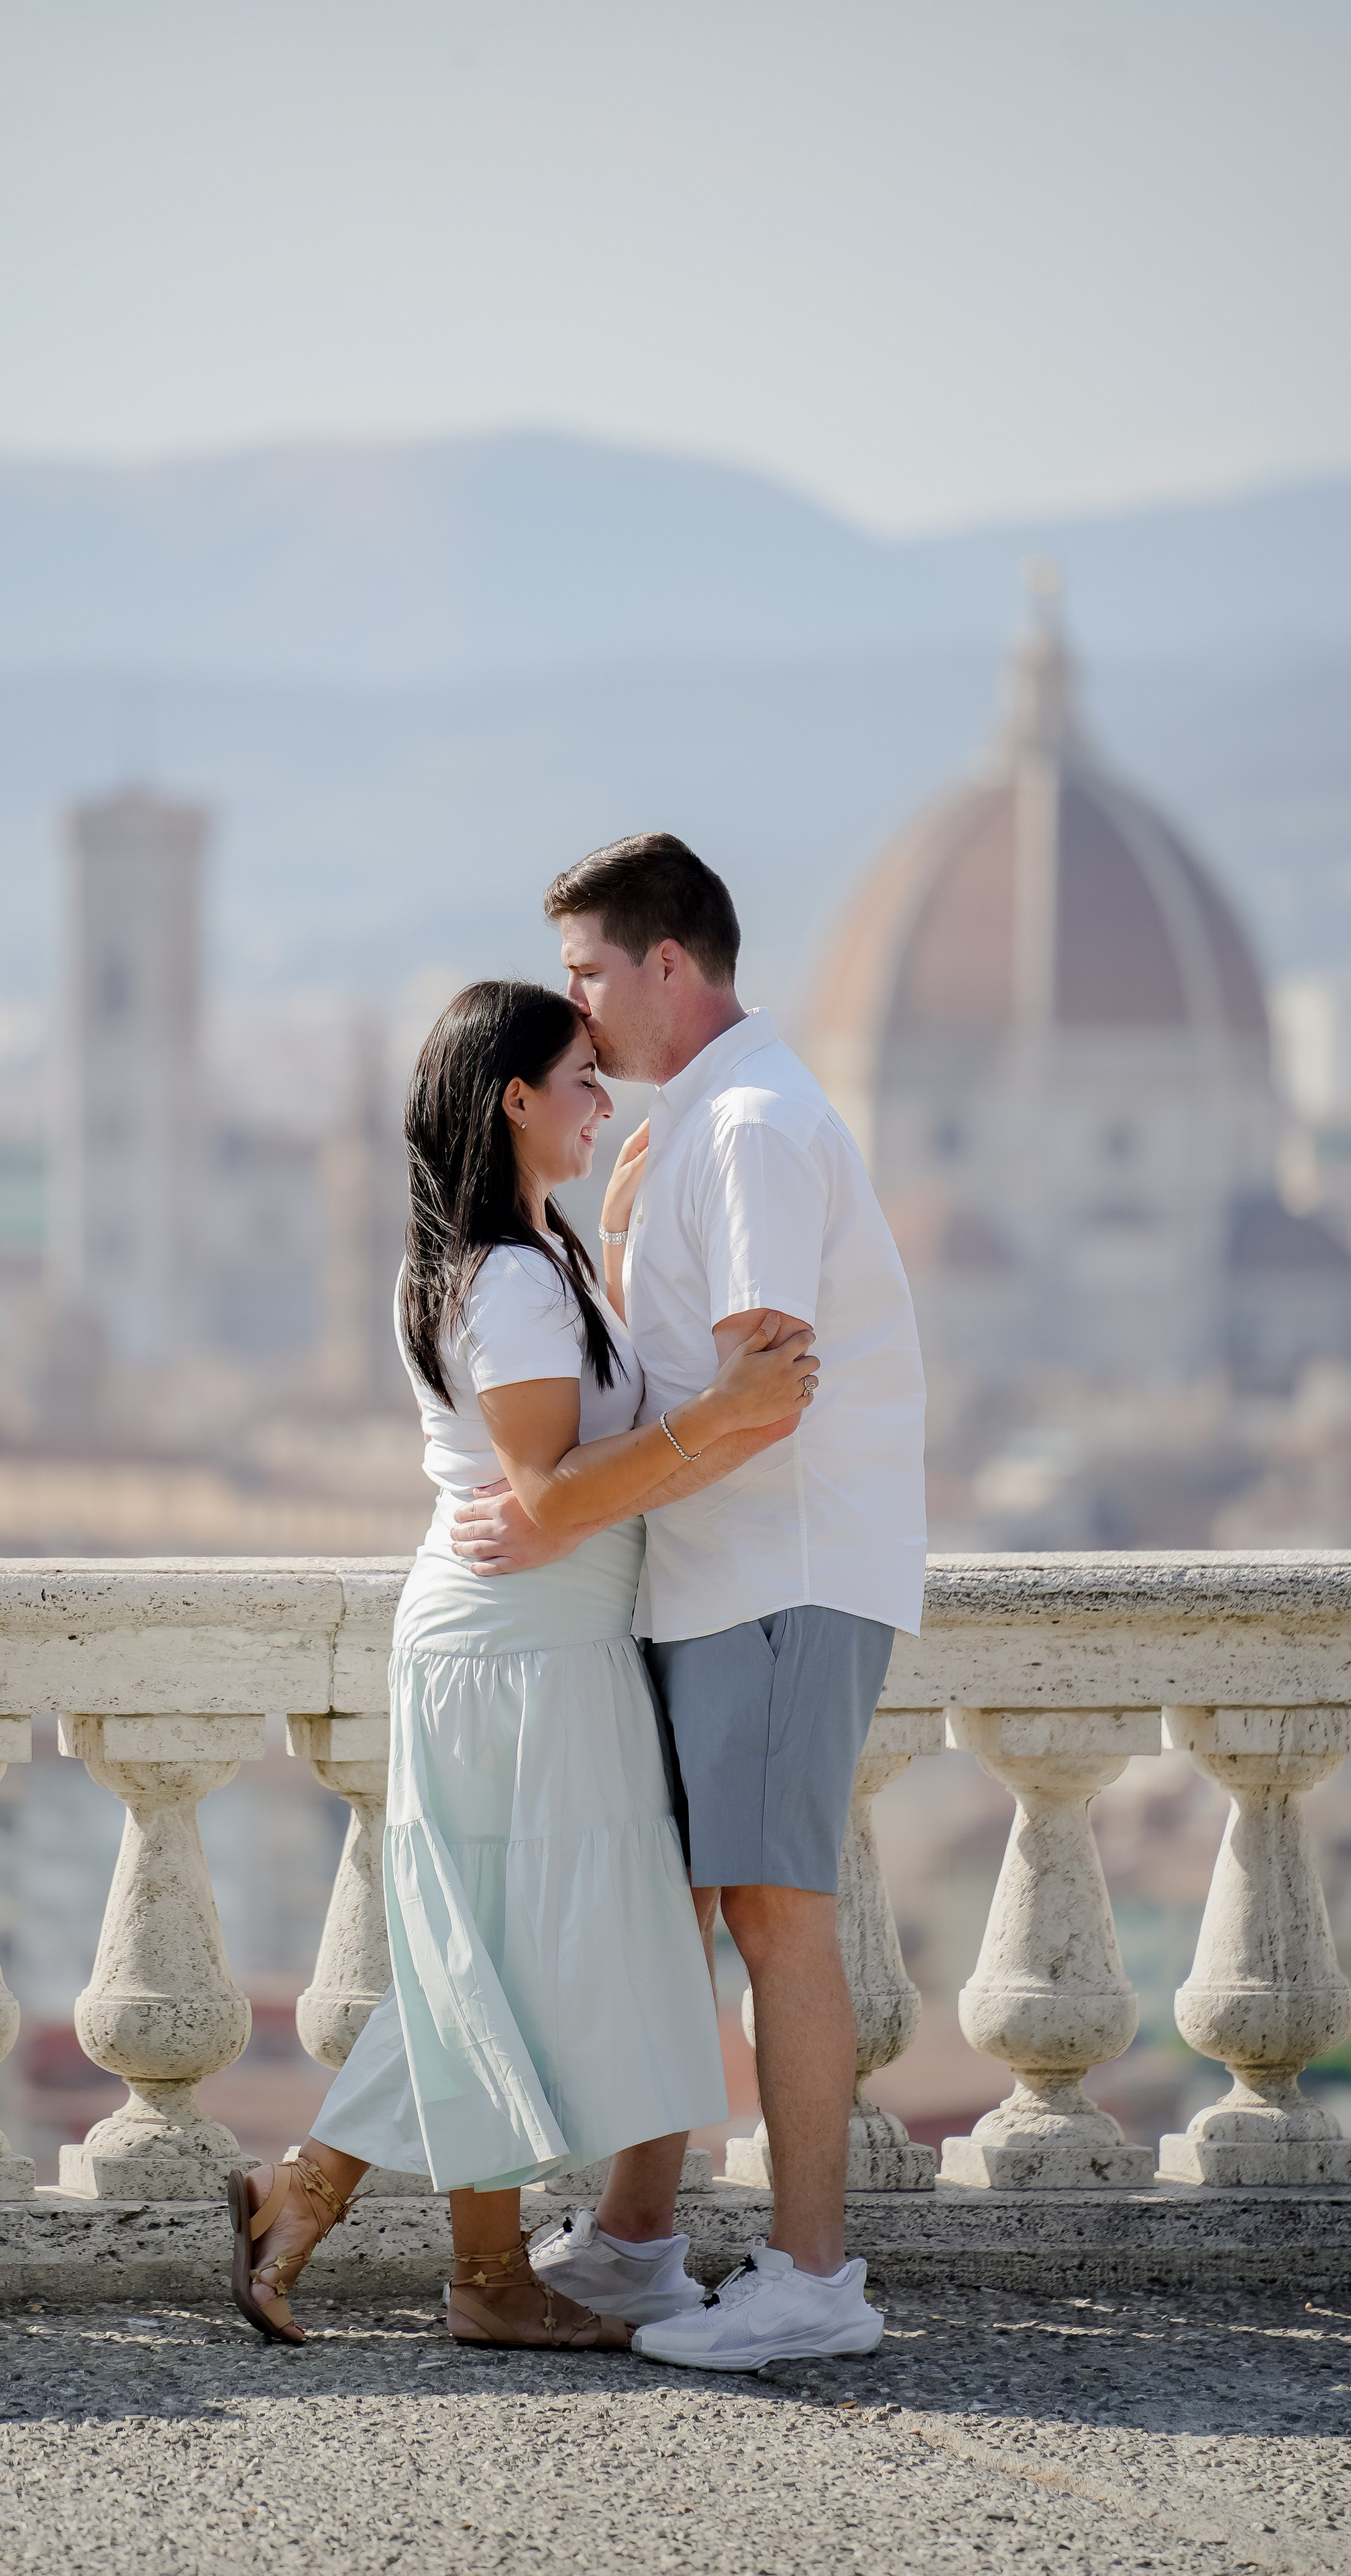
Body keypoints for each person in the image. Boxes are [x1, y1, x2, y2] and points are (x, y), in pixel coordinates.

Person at [227, 978, 821, 2351]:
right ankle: (473, 2276)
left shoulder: (528, 1253)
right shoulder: (497, 1276)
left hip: (545, 1642)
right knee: (492, 1957)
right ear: (512, 1101)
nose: (601, 1106)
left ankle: (331, 2208)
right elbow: (547, 1495)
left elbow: (559, 1482)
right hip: (512, 1652)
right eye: (579, 1085)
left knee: (494, 1957)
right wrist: (726, 1416)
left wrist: (619, 1231)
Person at [452, 833, 927, 2371]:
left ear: (670, 963)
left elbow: (761, 1395)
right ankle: (643, 2242)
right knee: (685, 1913)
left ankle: (809, 2281)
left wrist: (559, 1514)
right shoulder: (703, 1127)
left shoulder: (749, 1131)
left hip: (775, 1571)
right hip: (716, 1573)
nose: (573, 1010)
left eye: (588, 970)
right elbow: (702, 1391)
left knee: (778, 1918)